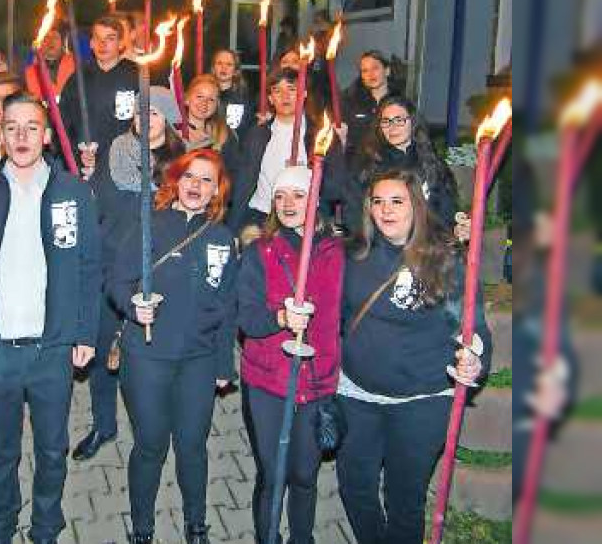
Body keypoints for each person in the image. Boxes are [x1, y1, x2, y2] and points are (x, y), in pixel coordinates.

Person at [0, 93, 100, 544]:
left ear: (47, 136)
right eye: (13, 127)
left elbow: (89, 265)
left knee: (51, 448)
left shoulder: (73, 193)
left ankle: (46, 525)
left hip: (52, 347)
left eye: (32, 127)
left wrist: (86, 330)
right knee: (1, 450)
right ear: (0, 134)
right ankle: (1, 526)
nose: (23, 136)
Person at [336, 169, 492, 544]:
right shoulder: (353, 255)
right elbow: (335, 318)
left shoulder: (446, 259)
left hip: (421, 401)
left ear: (416, 206)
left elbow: (476, 330)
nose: (386, 210)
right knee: (355, 485)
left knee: (404, 497)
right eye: (378, 202)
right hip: (357, 395)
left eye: (397, 201)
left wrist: (475, 358)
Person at [111, 148, 238, 544]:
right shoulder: (150, 224)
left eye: (206, 180)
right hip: (147, 356)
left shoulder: (222, 237)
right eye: (189, 177)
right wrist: (134, 307)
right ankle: (143, 527)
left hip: (198, 360)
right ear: (176, 180)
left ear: (217, 189)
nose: (196, 186)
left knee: (192, 447)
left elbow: (228, 305)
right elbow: (116, 280)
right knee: (150, 445)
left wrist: (222, 365)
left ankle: (196, 523)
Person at [71, 104, 186, 462]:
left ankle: (151, 429)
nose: (145, 119)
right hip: (111, 263)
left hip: (157, 268)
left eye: (153, 113)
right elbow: (98, 203)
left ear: (166, 119)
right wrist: (89, 178)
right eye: (140, 112)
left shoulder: (182, 160)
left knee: (150, 356)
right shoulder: (114, 151)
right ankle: (103, 424)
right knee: (105, 347)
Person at [237, 166, 345, 544]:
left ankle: (303, 537)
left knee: (304, 475)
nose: (287, 204)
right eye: (280, 196)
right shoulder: (260, 252)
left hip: (317, 381)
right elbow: (246, 317)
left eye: (298, 195)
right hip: (268, 380)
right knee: (272, 473)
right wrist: (280, 317)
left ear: (315, 200)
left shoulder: (338, 253)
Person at [227, 68, 344, 233]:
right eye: (277, 90)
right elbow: (243, 182)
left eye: (291, 89)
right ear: (270, 99)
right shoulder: (257, 134)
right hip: (262, 217)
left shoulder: (320, 136)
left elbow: (335, 185)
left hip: (306, 220)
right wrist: (233, 227)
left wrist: (305, 173)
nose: (285, 96)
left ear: (303, 94)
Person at [345, 96, 467, 240]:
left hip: (428, 248)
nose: (393, 127)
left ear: (413, 123)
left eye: (399, 120)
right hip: (382, 247)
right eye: (386, 121)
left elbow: (446, 212)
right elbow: (354, 216)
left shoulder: (431, 163)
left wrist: (457, 229)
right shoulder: (366, 165)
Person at [59, 16, 141, 178]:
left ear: (121, 44)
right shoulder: (78, 79)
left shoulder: (136, 76)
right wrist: (77, 153)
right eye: (97, 38)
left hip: (125, 164)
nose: (102, 44)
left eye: (110, 38)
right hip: (85, 165)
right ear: (91, 43)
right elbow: (64, 122)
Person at [341, 51, 401, 153]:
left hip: (390, 165)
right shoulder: (351, 104)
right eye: (365, 71)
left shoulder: (400, 104)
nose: (370, 74)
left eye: (375, 68)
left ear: (387, 71)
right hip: (358, 165)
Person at [178, 74, 240, 168]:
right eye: (199, 96)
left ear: (217, 105)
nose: (204, 103)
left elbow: (232, 172)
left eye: (211, 99)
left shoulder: (225, 135)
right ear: (187, 99)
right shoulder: (172, 131)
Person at [210, 48, 257, 139]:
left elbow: (238, 129)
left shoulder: (242, 98)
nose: (224, 68)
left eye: (229, 64)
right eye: (219, 63)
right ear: (213, 68)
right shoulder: (206, 94)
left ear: (236, 71)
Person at [25, 26, 75, 99]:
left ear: (62, 43)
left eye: (55, 37)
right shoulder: (30, 72)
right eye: (46, 38)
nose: (50, 41)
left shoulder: (75, 63)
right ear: (39, 44)